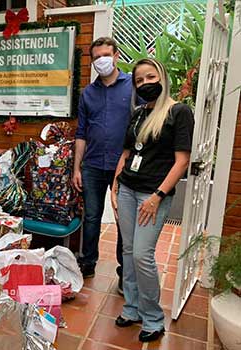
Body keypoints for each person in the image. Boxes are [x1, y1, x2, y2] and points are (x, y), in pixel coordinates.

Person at [111, 58, 194, 342]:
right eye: (139, 80)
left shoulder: (178, 112)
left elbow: (182, 162)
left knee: (143, 255)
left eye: (150, 77)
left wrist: (158, 196)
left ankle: (153, 318)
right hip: (127, 190)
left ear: (162, 77)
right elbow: (126, 153)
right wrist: (115, 185)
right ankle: (132, 308)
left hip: (152, 195)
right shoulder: (137, 113)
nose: (145, 83)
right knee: (129, 252)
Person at [73, 37, 132, 289]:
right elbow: (81, 133)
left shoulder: (133, 86)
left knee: (123, 219)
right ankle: (87, 263)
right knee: (92, 216)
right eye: (96, 57)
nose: (101, 60)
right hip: (93, 165)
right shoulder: (88, 93)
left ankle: (124, 272)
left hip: (124, 167)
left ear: (116, 55)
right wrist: (76, 167)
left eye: (106, 54)